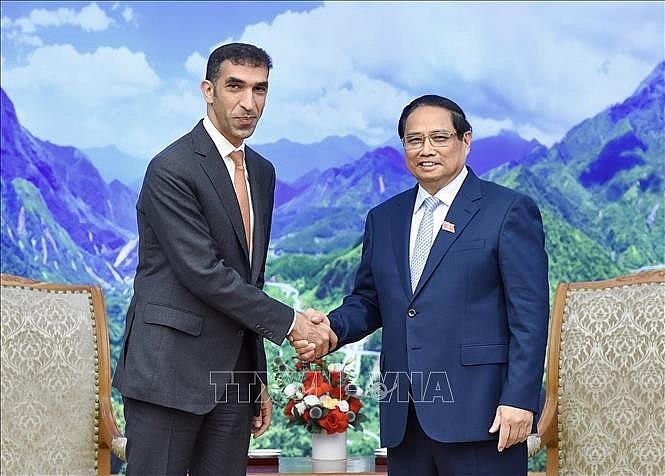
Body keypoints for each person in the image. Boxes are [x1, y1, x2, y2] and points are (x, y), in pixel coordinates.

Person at [112, 43, 335, 475]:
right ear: (208, 90)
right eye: (235, 86)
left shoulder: (263, 172)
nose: (248, 103)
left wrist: (256, 378)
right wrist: (293, 325)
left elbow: (249, 282)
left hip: (232, 378)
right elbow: (203, 273)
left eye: (260, 89)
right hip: (168, 372)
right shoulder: (172, 167)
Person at [319, 95, 549, 475]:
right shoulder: (384, 218)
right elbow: (370, 300)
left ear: (466, 140)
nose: (426, 150)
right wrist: (328, 329)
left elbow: (530, 316)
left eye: (439, 138)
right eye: (414, 140)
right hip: (404, 419)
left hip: (485, 417)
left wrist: (520, 400)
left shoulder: (507, 210)